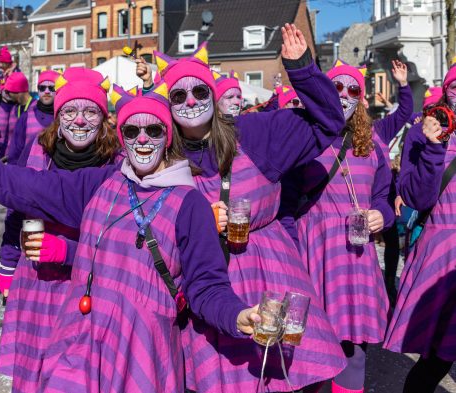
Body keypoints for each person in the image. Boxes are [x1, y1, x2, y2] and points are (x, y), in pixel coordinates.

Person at [0, 82, 262, 393]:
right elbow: (24, 185)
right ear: (123, 137)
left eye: (154, 131)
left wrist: (239, 314)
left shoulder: (189, 203)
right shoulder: (105, 183)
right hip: (82, 341)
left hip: (141, 351)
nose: (143, 140)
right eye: (132, 131)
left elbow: (207, 285)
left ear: (168, 138)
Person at [138, 24, 347, 392]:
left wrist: (302, 69)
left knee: (298, 378)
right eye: (179, 95)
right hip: (207, 282)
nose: (190, 101)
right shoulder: (160, 157)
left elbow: (330, 121)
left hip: (272, 269)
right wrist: (195, 223)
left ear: (212, 95)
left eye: (199, 91)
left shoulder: (254, 134)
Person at [0, 67, 119, 392]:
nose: (79, 120)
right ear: (58, 116)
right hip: (35, 280)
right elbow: (15, 206)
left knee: (78, 375)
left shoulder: (117, 162)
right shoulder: (38, 150)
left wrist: (67, 251)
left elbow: (122, 242)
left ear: (103, 117)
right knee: (34, 374)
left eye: (90, 111)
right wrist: (8, 263)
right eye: (70, 111)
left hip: (89, 287)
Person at [279, 59, 399, 393]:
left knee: (354, 351)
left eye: (352, 89)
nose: (344, 94)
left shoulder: (372, 145)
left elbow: (384, 199)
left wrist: (381, 216)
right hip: (312, 255)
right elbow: (285, 205)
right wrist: (289, 256)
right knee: (310, 349)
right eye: (336, 87)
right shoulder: (303, 140)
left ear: (361, 98)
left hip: (355, 260)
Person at [383, 67, 456, 393]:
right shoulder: (420, 131)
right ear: (446, 88)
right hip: (442, 249)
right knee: (436, 360)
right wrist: (436, 144)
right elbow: (418, 197)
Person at [7, 70, 58, 164]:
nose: (46, 91)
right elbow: (15, 153)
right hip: (28, 174)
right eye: (42, 88)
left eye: (51, 88)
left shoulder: (64, 117)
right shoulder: (26, 117)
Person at [3, 72, 35, 161]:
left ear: (17, 91)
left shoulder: (36, 108)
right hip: (13, 162)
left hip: (29, 163)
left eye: (8, 92)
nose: (7, 95)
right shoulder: (14, 109)